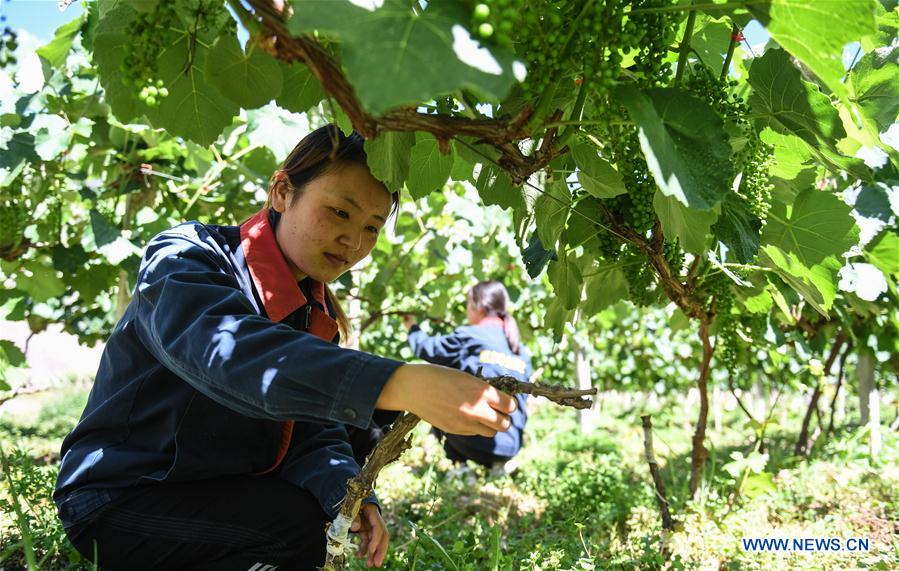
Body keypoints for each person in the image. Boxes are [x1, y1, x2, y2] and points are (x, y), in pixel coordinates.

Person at [54, 126, 518, 571]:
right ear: (281, 192)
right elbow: (229, 354)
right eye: (340, 212)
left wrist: (346, 496)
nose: (354, 241)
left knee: (328, 498)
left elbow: (310, 434)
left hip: (203, 487)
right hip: (119, 496)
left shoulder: (314, 313)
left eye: (372, 228)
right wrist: (397, 381)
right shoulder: (185, 255)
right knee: (300, 531)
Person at [402, 280, 532, 472]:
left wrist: (412, 327)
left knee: (438, 390)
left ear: (478, 306)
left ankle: (461, 466)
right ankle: (497, 467)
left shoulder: (470, 336)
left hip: (474, 443)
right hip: (510, 446)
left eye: (467, 304)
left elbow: (427, 349)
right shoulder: (521, 351)